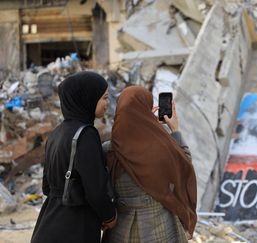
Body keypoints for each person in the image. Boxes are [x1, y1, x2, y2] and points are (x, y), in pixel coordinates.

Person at [102, 86, 197, 243]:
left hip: (120, 231)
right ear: (146, 110)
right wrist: (175, 130)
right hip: (161, 229)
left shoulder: (109, 150)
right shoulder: (163, 147)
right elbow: (184, 164)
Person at [31, 71, 117, 243]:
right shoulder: (86, 134)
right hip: (75, 225)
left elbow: (47, 187)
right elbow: (95, 189)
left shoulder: (56, 133)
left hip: (48, 221)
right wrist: (109, 216)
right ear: (88, 99)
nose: (107, 103)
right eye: (104, 98)